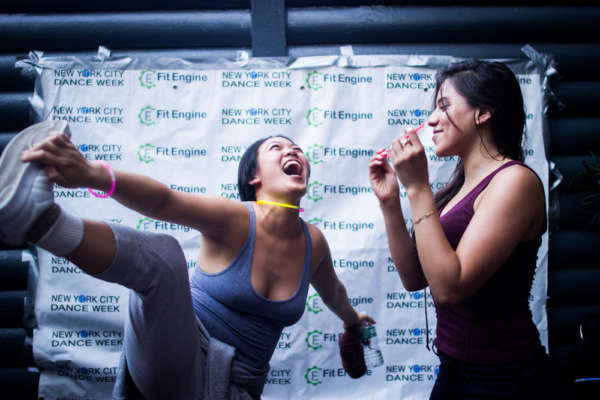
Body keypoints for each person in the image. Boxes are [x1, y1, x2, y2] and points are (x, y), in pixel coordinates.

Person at [0, 120, 374, 399]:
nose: (292, 152)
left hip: (237, 390)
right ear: (254, 177)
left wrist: (352, 321)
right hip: (176, 355)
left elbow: (334, 293)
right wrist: (90, 174)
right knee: (164, 256)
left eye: (297, 149)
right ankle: (42, 222)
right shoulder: (234, 220)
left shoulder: (314, 242)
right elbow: (165, 201)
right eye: (277, 147)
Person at [368, 60, 555, 399]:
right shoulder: (458, 189)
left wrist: (418, 187)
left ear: (482, 113)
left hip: (504, 377)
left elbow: (450, 288)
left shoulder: (515, 181)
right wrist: (390, 203)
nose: (432, 120)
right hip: (455, 369)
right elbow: (414, 278)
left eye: (444, 106)